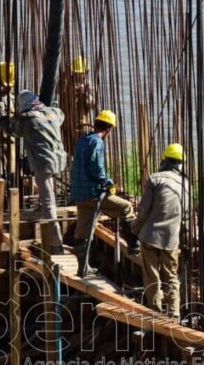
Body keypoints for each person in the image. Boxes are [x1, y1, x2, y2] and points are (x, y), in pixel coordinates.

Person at [70, 110, 139, 275]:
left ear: (95, 124)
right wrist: (107, 181)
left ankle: (83, 267)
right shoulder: (97, 142)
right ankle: (134, 247)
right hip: (94, 193)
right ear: (108, 128)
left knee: (84, 231)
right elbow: (96, 168)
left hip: (80, 194)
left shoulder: (82, 140)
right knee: (127, 208)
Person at [131, 143, 190, 319]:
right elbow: (185, 214)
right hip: (171, 239)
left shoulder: (155, 179)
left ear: (165, 160)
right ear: (180, 163)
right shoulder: (186, 184)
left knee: (152, 276)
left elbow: (143, 210)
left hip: (150, 236)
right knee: (171, 276)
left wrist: (134, 228)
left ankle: (155, 311)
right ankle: (174, 313)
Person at [10, 90, 67, 254]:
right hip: (59, 160)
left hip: (44, 163)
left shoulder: (27, 119)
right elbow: (60, 115)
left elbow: (13, 131)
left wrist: (2, 116)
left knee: (48, 202)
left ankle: (56, 243)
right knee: (51, 195)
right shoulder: (54, 113)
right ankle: (56, 239)